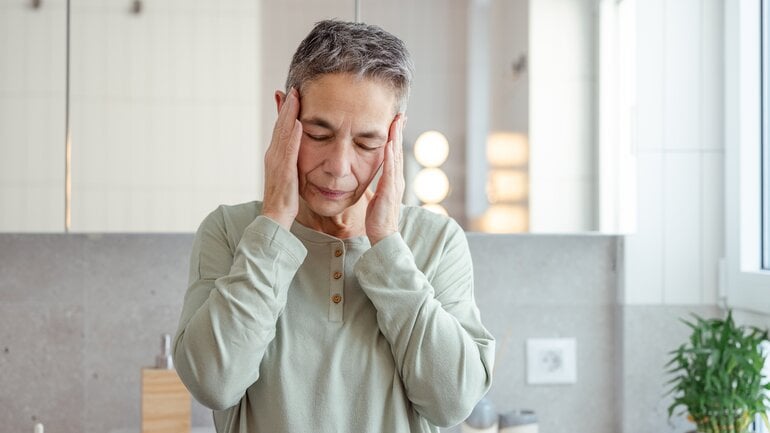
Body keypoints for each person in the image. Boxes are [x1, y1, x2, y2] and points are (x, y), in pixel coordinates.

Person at [173, 19, 495, 433]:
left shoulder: (435, 242)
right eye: (319, 134)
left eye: (366, 143)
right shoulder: (230, 231)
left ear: (395, 138)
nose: (338, 168)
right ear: (284, 114)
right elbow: (213, 384)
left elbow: (452, 402)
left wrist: (387, 245)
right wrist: (273, 223)